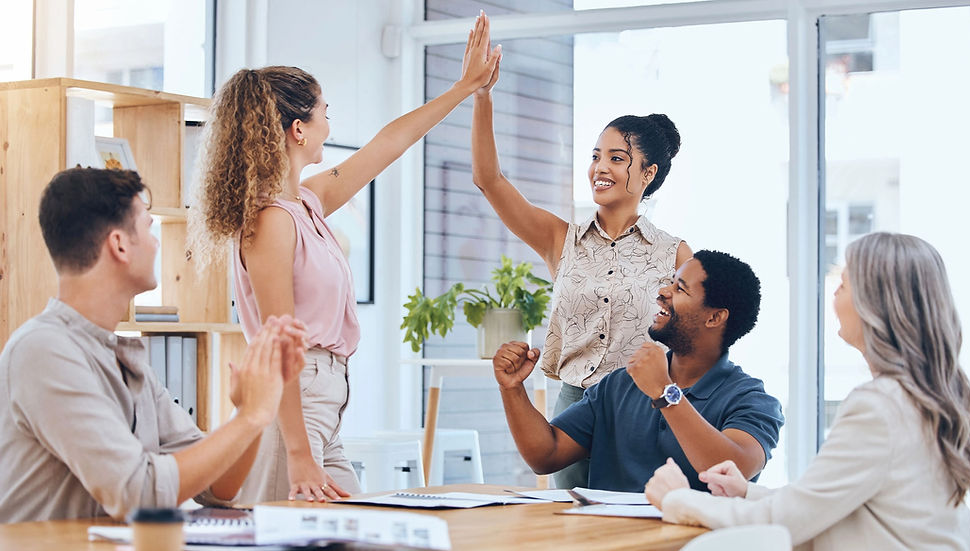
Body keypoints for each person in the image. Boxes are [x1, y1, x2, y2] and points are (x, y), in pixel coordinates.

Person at [189, 14, 501, 503]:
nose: (328, 123)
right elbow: (279, 346)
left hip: (325, 409)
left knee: (362, 528)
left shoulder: (306, 203)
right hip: (293, 412)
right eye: (323, 111)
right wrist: (297, 453)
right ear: (298, 129)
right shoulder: (271, 221)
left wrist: (465, 88)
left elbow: (388, 143)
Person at [0, 168, 306, 522]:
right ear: (119, 244)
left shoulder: (123, 359)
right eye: (148, 227)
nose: (156, 241)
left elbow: (219, 486)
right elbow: (137, 494)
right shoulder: (43, 351)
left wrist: (253, 410)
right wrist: (251, 416)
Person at [646, 233, 970, 551]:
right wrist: (747, 493)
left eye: (844, 284)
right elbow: (831, 503)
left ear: (876, 304)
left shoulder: (878, 408)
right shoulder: (921, 400)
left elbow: (783, 523)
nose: (834, 293)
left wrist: (680, 499)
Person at [471, 47, 693, 489]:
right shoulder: (561, 239)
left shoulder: (676, 255)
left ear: (647, 173)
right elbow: (489, 180)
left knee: (633, 523)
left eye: (616, 158)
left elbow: (697, 341)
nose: (599, 168)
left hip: (642, 405)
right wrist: (482, 97)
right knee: (571, 522)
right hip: (574, 403)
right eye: (596, 156)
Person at [493, 250, 783, 492]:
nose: (663, 292)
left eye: (680, 288)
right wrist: (512, 388)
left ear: (715, 317)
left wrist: (664, 393)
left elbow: (733, 470)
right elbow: (547, 454)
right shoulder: (620, 384)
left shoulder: (751, 400)